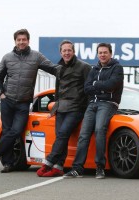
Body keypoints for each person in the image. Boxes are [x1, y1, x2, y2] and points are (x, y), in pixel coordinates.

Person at [0, 29, 58, 173]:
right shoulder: (7, 57)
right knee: (7, 131)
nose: (21, 42)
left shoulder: (36, 56)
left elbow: (53, 68)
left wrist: (71, 70)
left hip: (23, 103)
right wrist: (1, 94)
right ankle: (8, 163)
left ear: (28, 41)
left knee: (16, 131)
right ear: (15, 41)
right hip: (7, 100)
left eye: (24, 39)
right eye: (19, 40)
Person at [63, 43, 124, 179]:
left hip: (108, 104)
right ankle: (77, 169)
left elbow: (111, 85)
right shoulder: (94, 69)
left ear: (110, 54)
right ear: (97, 54)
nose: (102, 55)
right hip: (92, 104)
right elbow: (86, 88)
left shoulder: (117, 68)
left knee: (99, 130)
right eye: (100, 53)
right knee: (83, 135)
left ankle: (100, 167)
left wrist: (96, 85)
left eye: (105, 52)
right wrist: (101, 87)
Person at [36, 40, 91, 177]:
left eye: (69, 50)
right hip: (61, 109)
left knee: (62, 134)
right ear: (61, 52)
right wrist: (54, 108)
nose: (67, 53)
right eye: (64, 50)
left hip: (76, 108)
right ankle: (58, 166)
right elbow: (58, 91)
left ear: (73, 51)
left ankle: (49, 162)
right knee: (62, 137)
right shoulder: (59, 68)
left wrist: (88, 110)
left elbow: (89, 90)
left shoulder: (84, 67)